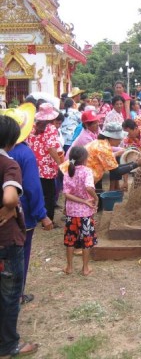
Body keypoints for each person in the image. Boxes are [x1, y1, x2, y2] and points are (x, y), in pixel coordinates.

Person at [6, 104, 53, 306]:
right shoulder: (25, 154)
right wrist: (42, 214)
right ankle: (16, 294)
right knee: (21, 254)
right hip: (20, 213)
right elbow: (33, 188)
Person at [0, 115, 39, 358]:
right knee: (10, 293)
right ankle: (8, 345)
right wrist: (10, 207)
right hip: (6, 238)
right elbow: (11, 198)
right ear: (13, 141)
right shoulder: (9, 164)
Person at [63, 147, 98, 276]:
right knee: (86, 240)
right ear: (84, 158)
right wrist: (94, 198)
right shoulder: (87, 171)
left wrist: (81, 201)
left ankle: (69, 267)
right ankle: (85, 268)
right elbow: (89, 187)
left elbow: (66, 194)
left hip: (71, 212)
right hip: (85, 213)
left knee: (70, 239)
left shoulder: (68, 172)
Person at [27, 103, 62, 224]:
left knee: (37, 192)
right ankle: (48, 220)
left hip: (33, 165)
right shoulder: (51, 128)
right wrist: (60, 163)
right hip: (47, 167)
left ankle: (37, 216)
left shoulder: (32, 127)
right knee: (49, 195)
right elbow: (51, 148)